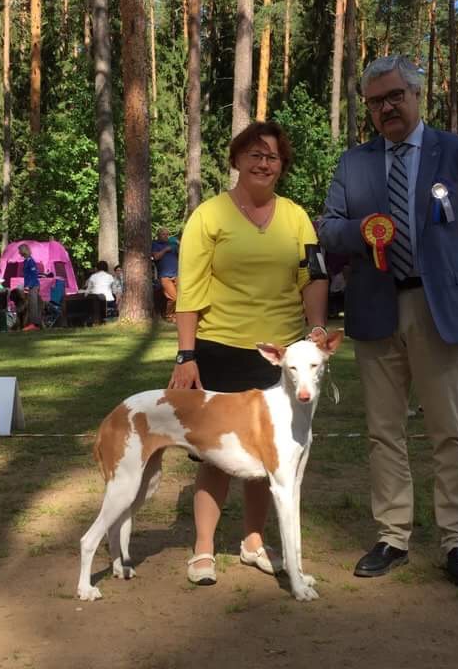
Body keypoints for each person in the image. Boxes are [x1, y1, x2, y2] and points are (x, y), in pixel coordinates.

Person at [319, 55, 458, 587]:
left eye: (395, 96)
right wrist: (362, 230)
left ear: (418, 95)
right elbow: (328, 228)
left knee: (449, 430)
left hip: (439, 309)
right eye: (375, 102)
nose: (386, 108)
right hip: (374, 307)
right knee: (383, 432)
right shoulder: (353, 164)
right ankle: (393, 535)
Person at [168, 120, 328, 586]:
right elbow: (190, 288)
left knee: (269, 458)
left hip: (280, 356)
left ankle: (253, 542)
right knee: (214, 459)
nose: (263, 163)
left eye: (272, 156)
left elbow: (313, 276)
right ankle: (203, 548)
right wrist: (186, 356)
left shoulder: (296, 217)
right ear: (236, 159)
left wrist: (316, 327)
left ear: (282, 165)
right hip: (219, 349)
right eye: (254, 154)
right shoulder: (209, 216)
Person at [151, 228, 179, 322]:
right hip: (165, 276)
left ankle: (176, 316)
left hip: (177, 275)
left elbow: (182, 254)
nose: (166, 236)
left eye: (167, 234)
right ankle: (168, 315)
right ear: (158, 235)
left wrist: (179, 244)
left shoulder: (172, 244)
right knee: (173, 298)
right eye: (163, 234)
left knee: (181, 298)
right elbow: (155, 257)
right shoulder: (155, 244)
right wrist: (165, 250)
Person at [18, 243, 41, 331]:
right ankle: (32, 323)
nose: (19, 252)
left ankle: (35, 325)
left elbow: (34, 275)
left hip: (33, 286)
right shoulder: (26, 261)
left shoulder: (31, 261)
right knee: (30, 305)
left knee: (33, 304)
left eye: (19, 250)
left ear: (23, 251)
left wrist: (29, 286)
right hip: (29, 286)